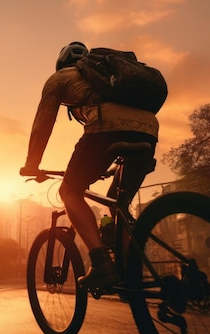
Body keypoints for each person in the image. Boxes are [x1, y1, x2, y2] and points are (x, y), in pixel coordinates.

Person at [20, 41, 159, 289]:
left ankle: (101, 264)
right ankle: (129, 275)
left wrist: (32, 163)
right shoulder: (110, 76)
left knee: (69, 191)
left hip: (106, 129)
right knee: (119, 203)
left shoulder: (60, 77)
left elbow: (43, 122)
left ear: (62, 64)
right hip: (149, 131)